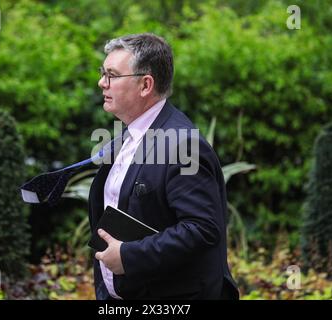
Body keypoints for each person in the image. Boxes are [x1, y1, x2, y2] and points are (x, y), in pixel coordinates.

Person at [88, 33, 239, 300]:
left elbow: (202, 229)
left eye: (111, 75)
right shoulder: (126, 136)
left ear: (145, 85)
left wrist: (128, 256)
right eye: (103, 73)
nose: (102, 83)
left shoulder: (183, 145)